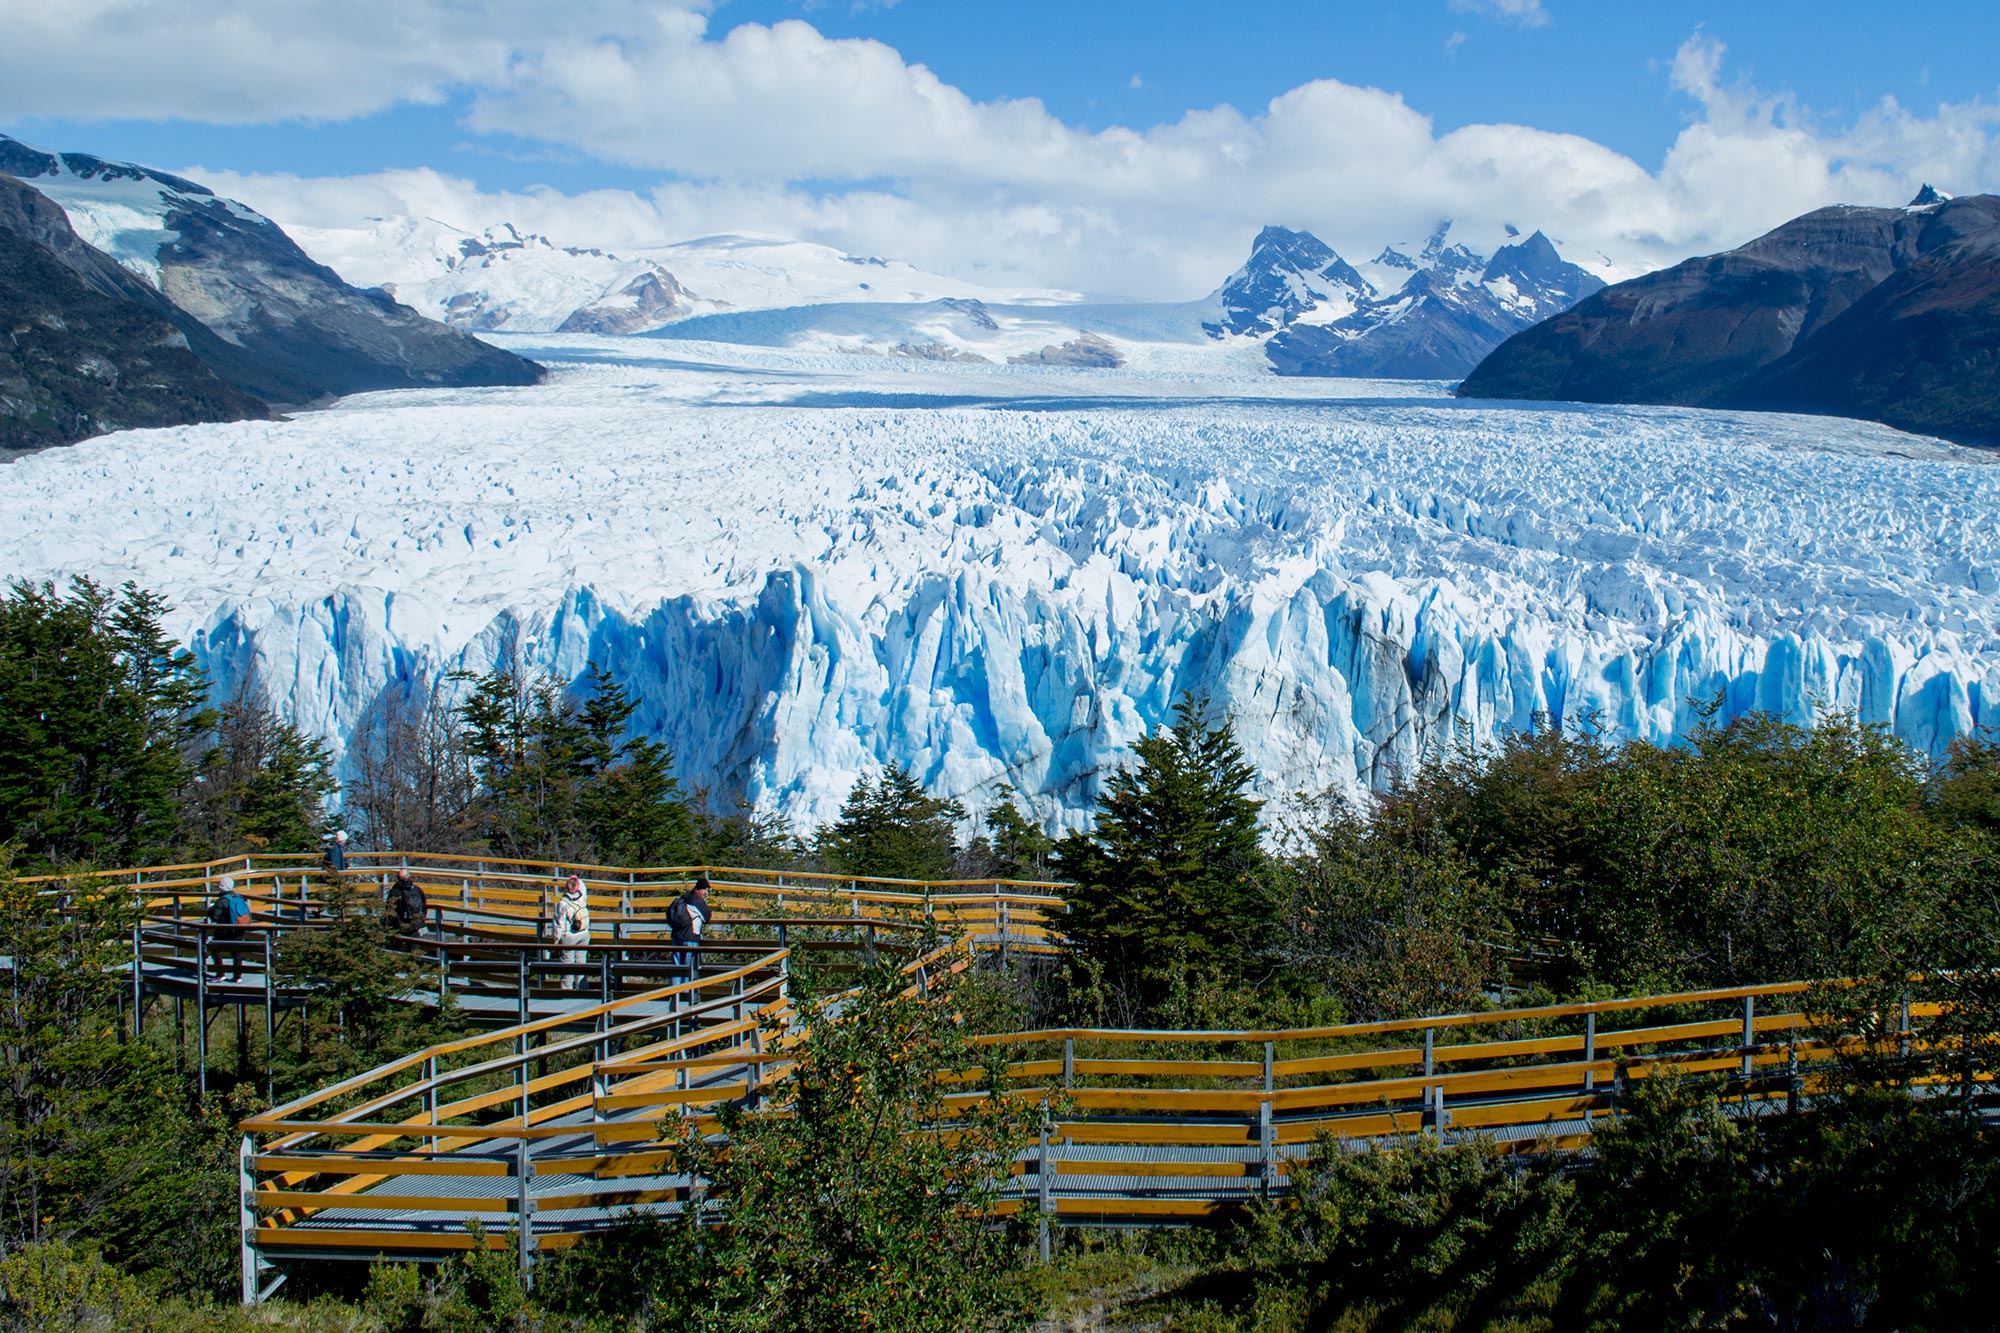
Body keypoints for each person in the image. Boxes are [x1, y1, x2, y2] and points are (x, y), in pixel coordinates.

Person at [205, 874, 253, 982]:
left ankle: (220, 974)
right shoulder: (238, 897)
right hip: (239, 929)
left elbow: (216, 917)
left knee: (214, 949)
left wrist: (210, 909)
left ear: (221, 887)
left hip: (225, 930)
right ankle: (237, 977)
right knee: (236, 952)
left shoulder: (222, 901)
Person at [550, 875, 592, 991]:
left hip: (569, 936)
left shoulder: (562, 903)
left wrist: (556, 940)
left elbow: (559, 924)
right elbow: (582, 885)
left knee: (567, 966)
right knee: (581, 962)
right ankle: (582, 989)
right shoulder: (582, 897)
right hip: (584, 934)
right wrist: (575, 878)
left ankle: (566, 990)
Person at [669, 875, 712, 981]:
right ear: (703, 890)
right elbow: (707, 916)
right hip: (690, 937)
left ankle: (675, 995)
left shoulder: (684, 898)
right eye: (706, 890)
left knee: (676, 969)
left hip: (676, 937)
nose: (706, 893)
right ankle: (686, 995)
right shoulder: (697, 901)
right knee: (689, 970)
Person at [385, 868, 427, 935]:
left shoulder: (395, 892)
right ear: (409, 876)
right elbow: (424, 907)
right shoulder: (417, 890)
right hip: (416, 926)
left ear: (398, 878)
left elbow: (389, 909)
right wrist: (421, 922)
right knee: (414, 943)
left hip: (398, 927)